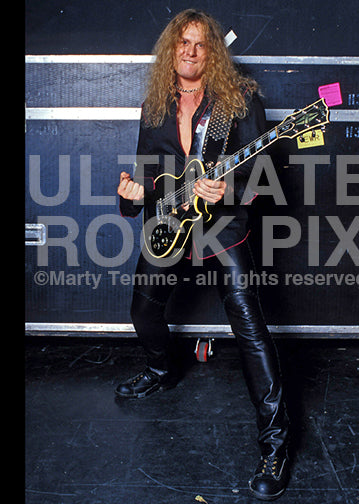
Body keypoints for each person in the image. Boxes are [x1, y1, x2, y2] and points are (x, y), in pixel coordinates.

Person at [116, 9, 290, 501]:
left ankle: (276, 443)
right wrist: (132, 194)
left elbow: (267, 179)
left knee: (249, 327)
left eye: (200, 44)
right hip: (170, 226)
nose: (190, 51)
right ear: (171, 49)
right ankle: (162, 369)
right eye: (182, 42)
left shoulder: (238, 101)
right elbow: (149, 175)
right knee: (142, 311)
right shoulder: (155, 106)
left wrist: (227, 188)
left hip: (221, 228)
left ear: (212, 53)